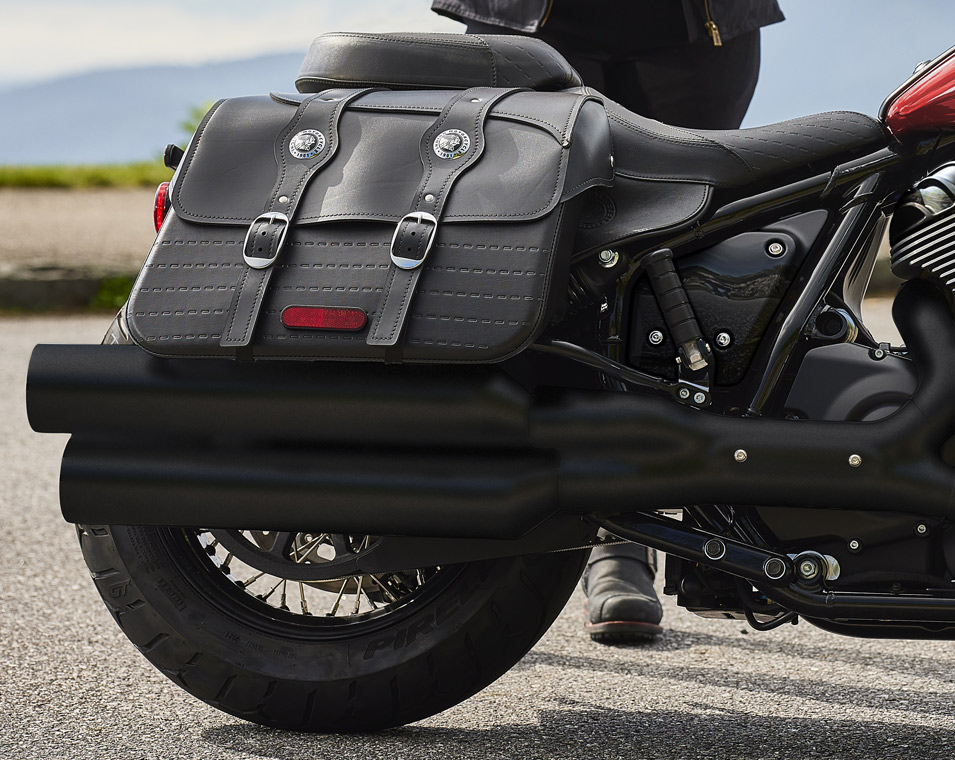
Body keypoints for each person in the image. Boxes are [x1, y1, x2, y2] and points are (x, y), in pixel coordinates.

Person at [431, 0, 784, 643]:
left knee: (687, 262)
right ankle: (454, 528)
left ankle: (648, 533)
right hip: (531, 19)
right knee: (519, 253)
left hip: (695, 26)